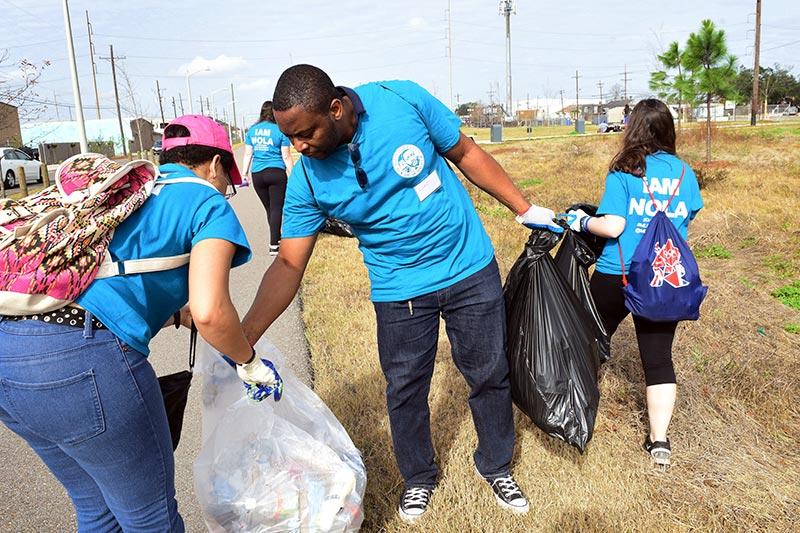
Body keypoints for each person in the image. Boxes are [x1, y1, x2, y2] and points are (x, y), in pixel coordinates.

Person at [241, 64, 563, 522]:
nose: (298, 147)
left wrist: (524, 208)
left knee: (489, 373)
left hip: (467, 265)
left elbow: (466, 154)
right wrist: (246, 335)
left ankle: (496, 465)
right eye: (289, 137)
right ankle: (419, 478)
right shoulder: (308, 178)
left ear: (336, 109)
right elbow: (290, 263)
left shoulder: (401, 99)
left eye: (305, 133)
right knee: (406, 388)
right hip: (398, 290)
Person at [0, 115, 281, 532]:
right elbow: (210, 312)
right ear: (217, 165)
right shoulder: (205, 201)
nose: (226, 188)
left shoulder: (126, 188)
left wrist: (170, 313)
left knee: (98, 511)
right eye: (228, 178)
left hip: (10, 360)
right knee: (150, 520)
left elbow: (100, 276)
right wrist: (250, 362)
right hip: (80, 366)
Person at [565, 99, 703, 467]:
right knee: (658, 358)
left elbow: (612, 226)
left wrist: (579, 221)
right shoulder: (683, 174)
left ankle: (574, 413)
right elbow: (688, 215)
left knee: (587, 343)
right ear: (668, 130)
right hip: (664, 278)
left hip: (617, 274)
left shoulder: (625, 171)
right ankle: (659, 443)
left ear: (634, 129)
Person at [242, 100, 295, 255]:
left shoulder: (252, 130)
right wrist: (293, 175)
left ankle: (276, 238)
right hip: (276, 173)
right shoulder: (280, 130)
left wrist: (244, 174)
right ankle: (274, 244)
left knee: (269, 209)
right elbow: (286, 156)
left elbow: (247, 154)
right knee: (277, 208)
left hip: (258, 174)